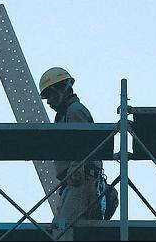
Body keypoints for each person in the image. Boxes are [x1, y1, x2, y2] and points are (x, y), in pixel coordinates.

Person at [39, 67, 114, 238]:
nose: (49, 102)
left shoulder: (74, 111)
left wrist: (76, 175)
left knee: (65, 233)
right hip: (73, 184)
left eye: (50, 95)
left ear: (62, 89)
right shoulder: (65, 114)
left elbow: (83, 146)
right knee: (58, 231)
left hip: (80, 182)